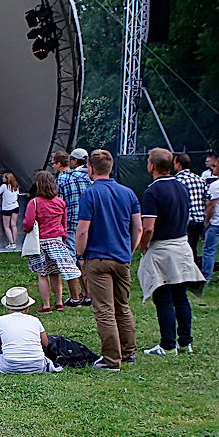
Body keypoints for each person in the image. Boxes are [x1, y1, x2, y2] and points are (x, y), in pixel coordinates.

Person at [76, 149, 142, 372]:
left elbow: (82, 230)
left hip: (97, 258)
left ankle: (111, 359)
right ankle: (128, 351)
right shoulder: (128, 193)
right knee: (122, 306)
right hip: (121, 257)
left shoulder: (90, 194)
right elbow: (138, 228)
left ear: (90, 168)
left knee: (104, 310)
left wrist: (80, 255)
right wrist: (129, 250)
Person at [137, 148, 204, 355]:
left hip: (162, 248)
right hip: (182, 245)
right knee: (180, 296)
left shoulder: (153, 191)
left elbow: (148, 227)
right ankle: (185, 342)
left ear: (152, 166)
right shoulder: (181, 186)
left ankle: (167, 345)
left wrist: (143, 245)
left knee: (163, 297)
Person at [23, 170, 82, 312]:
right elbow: (64, 224)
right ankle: (59, 302)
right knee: (55, 273)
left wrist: (27, 229)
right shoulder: (60, 202)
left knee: (42, 274)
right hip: (57, 241)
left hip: (41, 242)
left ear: (39, 184)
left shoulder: (34, 203)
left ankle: (46, 305)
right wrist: (63, 238)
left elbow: (28, 224)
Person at [0, 287, 62, 373]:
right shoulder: (35, 320)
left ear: (7, 308)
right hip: (38, 365)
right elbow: (45, 343)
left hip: (9, 365)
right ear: (27, 308)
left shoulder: (0, 320)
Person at [53, 149, 92, 304]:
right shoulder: (86, 178)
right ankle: (88, 293)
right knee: (86, 258)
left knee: (72, 260)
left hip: (70, 224)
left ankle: (76, 297)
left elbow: (59, 205)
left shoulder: (62, 179)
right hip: (88, 222)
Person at [175, 152, 210, 259]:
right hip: (200, 220)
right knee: (193, 247)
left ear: (178, 164)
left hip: (186, 221)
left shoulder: (178, 180)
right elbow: (208, 198)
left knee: (184, 250)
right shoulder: (199, 179)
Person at [0, 172, 20, 247]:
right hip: (15, 206)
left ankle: (12, 243)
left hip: (6, 208)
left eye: (3, 177)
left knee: (6, 226)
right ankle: (14, 242)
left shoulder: (4, 186)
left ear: (7, 179)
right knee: (14, 225)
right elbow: (17, 197)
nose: (2, 178)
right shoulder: (16, 186)